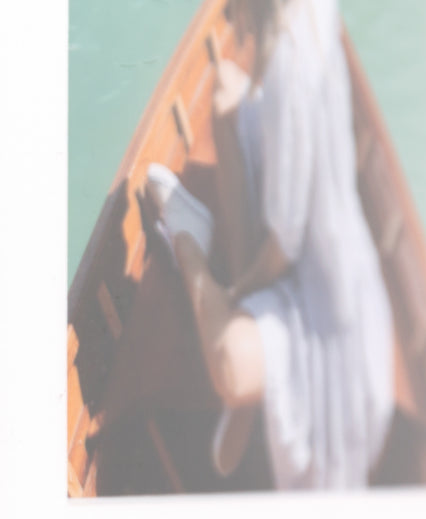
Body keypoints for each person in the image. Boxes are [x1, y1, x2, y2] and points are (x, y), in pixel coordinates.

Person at [145, 0, 393, 487]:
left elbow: (283, 248)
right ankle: (249, 310)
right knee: (225, 90)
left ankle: (189, 239)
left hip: (321, 305)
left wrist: (233, 299)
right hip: (317, 249)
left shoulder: (287, 72)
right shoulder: (313, 13)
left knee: (230, 364)